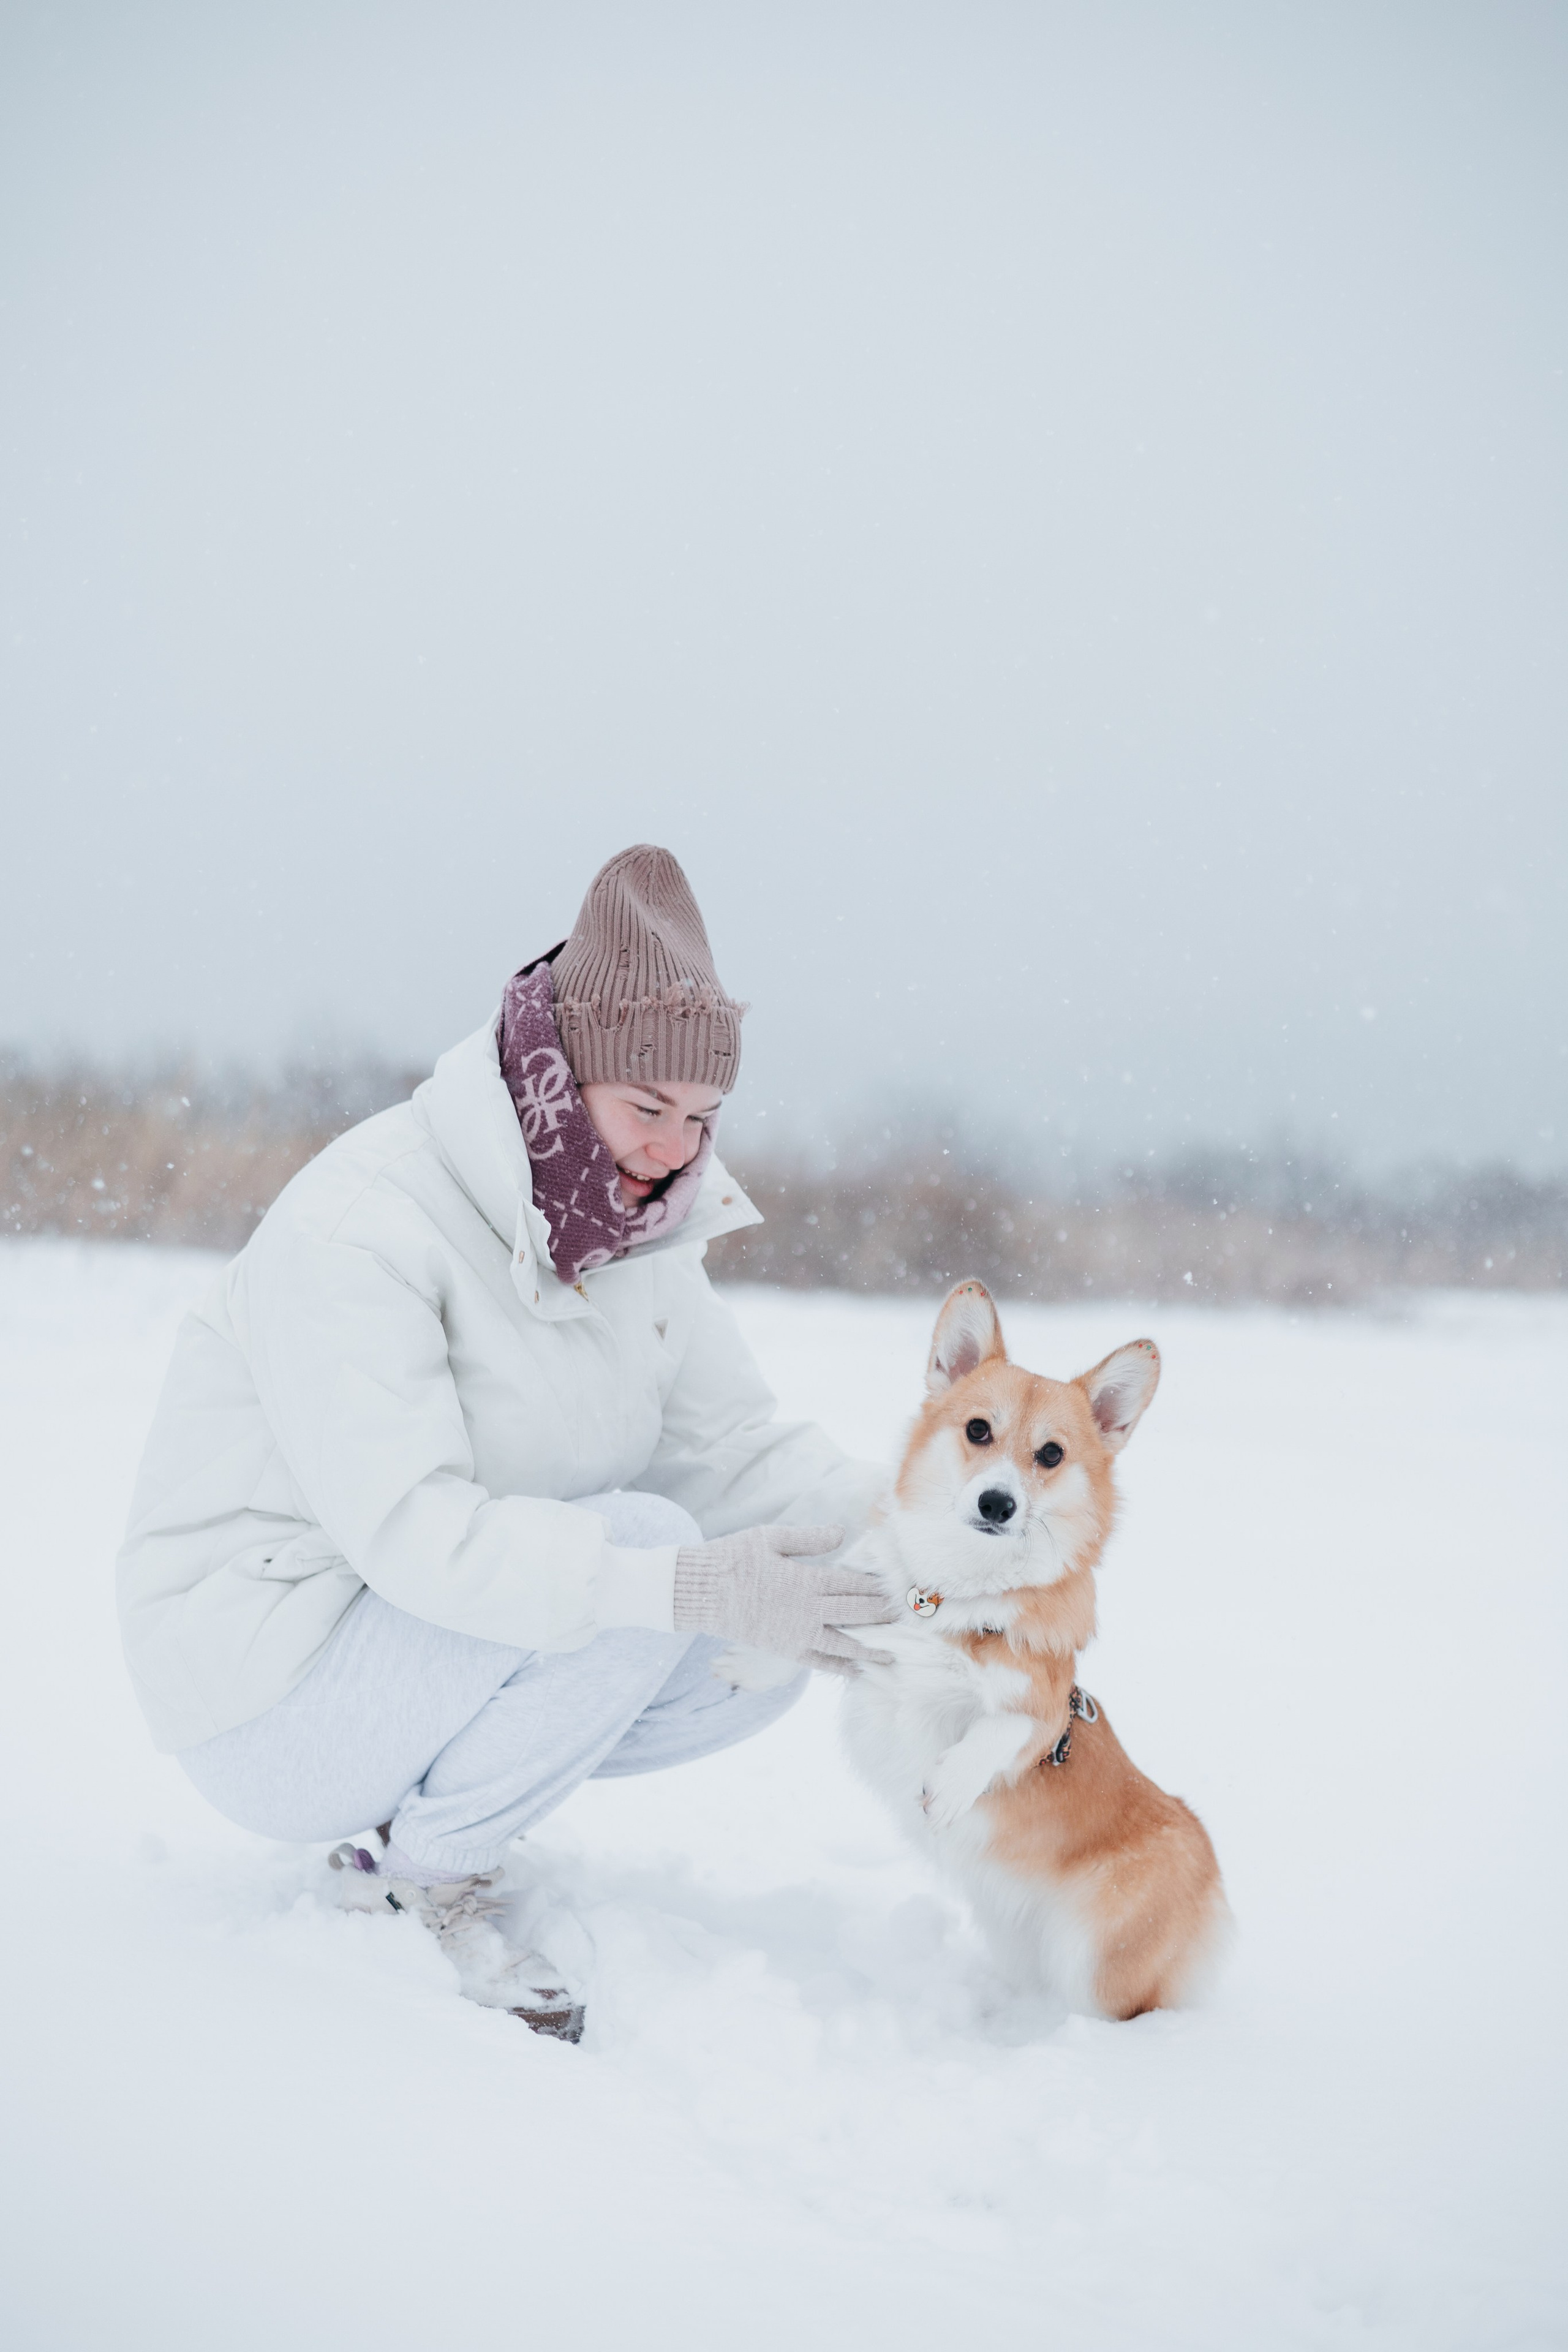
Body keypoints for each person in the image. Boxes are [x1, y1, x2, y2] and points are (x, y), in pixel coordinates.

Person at [116, 845, 896, 2037]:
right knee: (653, 1553)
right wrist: (675, 1581)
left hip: (417, 1653)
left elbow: (735, 1449)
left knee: (784, 1623)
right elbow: (411, 1532)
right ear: (556, 1071)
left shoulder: (636, 1243)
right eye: (647, 1108)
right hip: (266, 1682)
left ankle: (422, 1832)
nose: (676, 1151)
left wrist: (933, 1540)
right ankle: (431, 1878)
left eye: (699, 1119)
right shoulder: (367, 1224)